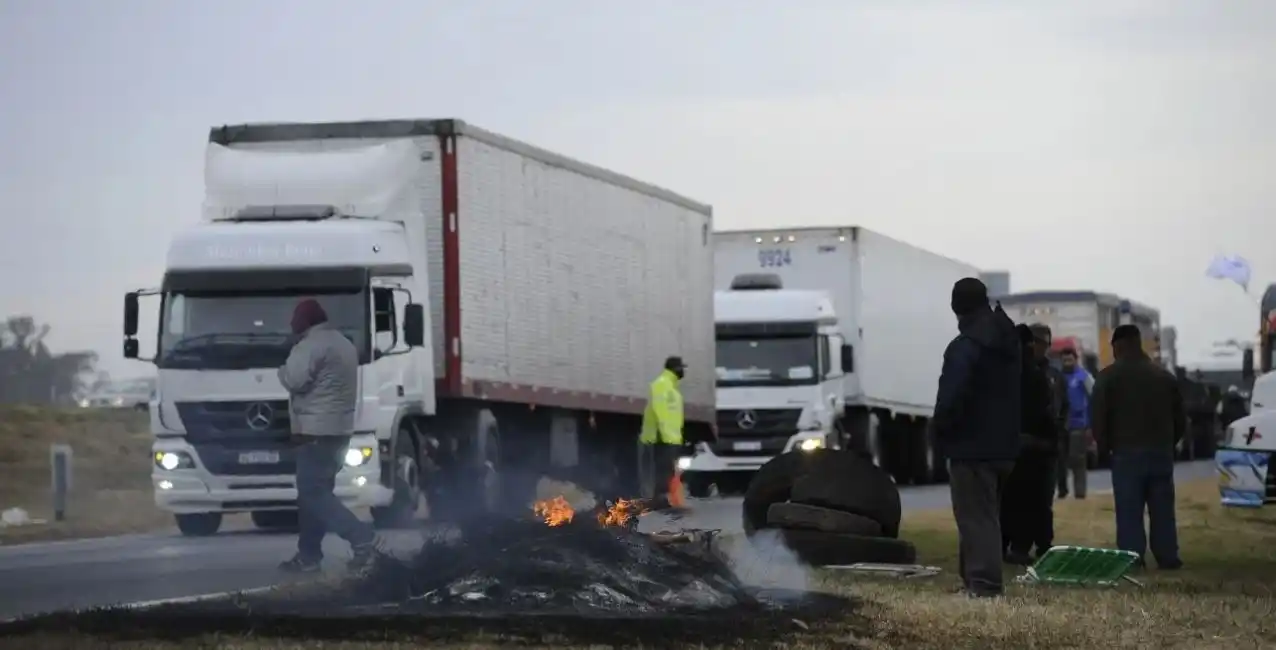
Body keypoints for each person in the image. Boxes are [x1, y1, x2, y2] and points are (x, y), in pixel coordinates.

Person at [933, 278, 1021, 598]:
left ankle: (983, 585)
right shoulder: (1008, 341)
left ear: (957, 307)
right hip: (1005, 445)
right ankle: (974, 581)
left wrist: (940, 430)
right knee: (986, 516)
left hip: (971, 446)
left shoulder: (965, 347)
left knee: (974, 517)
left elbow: (952, 398)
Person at [277, 299, 379, 574]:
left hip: (315, 431)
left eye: (294, 319)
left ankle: (360, 537)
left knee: (313, 494)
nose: (291, 324)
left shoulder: (311, 345)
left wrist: (281, 369)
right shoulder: (344, 343)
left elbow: (294, 379)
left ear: (304, 320)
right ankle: (309, 555)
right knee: (315, 495)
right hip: (340, 430)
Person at [1090, 324, 1185, 570]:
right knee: (1163, 508)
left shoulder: (1108, 377)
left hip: (1125, 452)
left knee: (1129, 509)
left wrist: (1103, 447)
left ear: (1118, 346)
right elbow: (1181, 420)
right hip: (1160, 451)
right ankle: (1167, 556)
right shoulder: (1164, 377)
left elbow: (1098, 417)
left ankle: (1131, 559)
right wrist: (1168, 442)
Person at [1001, 324, 1059, 565]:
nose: (1039, 347)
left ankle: (1036, 544)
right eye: (1035, 341)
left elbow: (1055, 410)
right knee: (1017, 500)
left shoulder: (1047, 375)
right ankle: (1017, 545)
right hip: (1027, 445)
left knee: (1034, 501)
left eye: (1044, 342)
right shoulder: (1025, 374)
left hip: (1035, 446)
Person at [640, 356, 687, 511]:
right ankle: (660, 500)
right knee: (663, 469)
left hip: (669, 437)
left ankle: (665, 499)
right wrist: (666, 435)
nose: (683, 371)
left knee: (668, 470)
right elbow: (659, 411)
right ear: (675, 369)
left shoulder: (670, 386)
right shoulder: (662, 385)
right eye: (681, 368)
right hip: (663, 437)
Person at [1057, 347, 1094, 499]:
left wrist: (1091, 424)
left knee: (1077, 459)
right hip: (1061, 426)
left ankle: (1080, 493)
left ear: (1075, 360)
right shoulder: (1058, 377)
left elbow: (1094, 397)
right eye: (1064, 360)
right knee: (1060, 461)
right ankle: (1062, 491)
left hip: (1079, 425)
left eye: (1069, 359)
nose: (1067, 363)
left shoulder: (1083, 377)